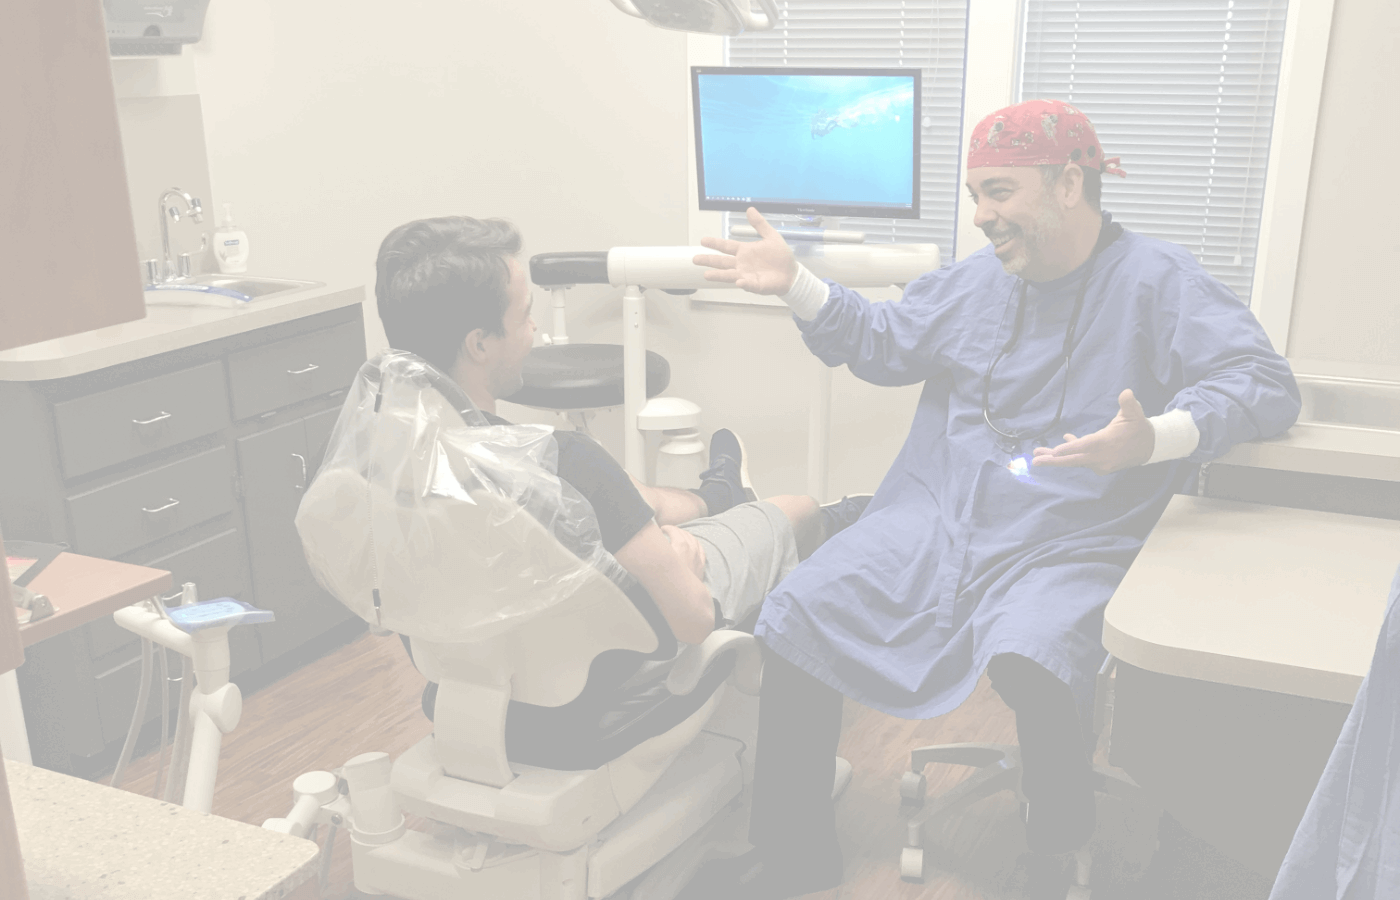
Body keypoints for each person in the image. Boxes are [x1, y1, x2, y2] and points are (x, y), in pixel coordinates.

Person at [678, 99, 1302, 899]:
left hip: (1075, 532)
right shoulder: (977, 283)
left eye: (999, 192)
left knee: (1032, 657)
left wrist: (1158, 438)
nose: (980, 216)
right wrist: (798, 286)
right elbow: (884, 343)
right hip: (938, 511)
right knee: (796, 613)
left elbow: (1262, 385)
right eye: (975, 194)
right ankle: (795, 851)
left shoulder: (1158, 281)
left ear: (1069, 183)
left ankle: (1056, 850)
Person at [373, 214, 863, 770]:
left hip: (465, 682)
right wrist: (677, 558)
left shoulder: (383, 464)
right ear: (479, 343)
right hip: (603, 676)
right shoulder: (564, 459)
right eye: (526, 316)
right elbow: (695, 620)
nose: (536, 332)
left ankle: (720, 493)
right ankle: (845, 518)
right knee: (797, 510)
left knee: (628, 496)